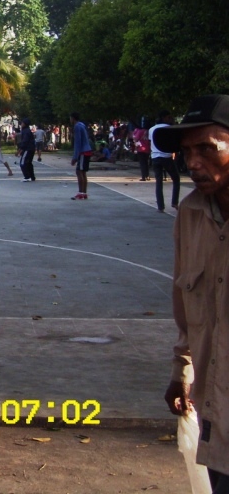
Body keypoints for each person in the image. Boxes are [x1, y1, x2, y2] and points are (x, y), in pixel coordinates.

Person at [154, 95, 229, 491]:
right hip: (216, 417)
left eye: (207, 148)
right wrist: (181, 373)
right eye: (186, 152)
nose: (194, 162)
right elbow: (188, 309)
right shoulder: (191, 214)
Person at [150, 110, 181, 213]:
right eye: (169, 117)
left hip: (155, 157)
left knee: (159, 182)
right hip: (166, 156)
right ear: (164, 118)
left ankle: (160, 206)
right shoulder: (168, 129)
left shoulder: (152, 129)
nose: (170, 119)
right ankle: (174, 202)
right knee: (176, 178)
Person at [70, 112, 92, 200]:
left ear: (73, 118)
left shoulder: (77, 127)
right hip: (87, 150)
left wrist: (75, 157)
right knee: (82, 172)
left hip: (83, 151)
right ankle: (84, 192)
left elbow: (78, 143)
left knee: (79, 172)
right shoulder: (82, 125)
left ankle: (81, 192)